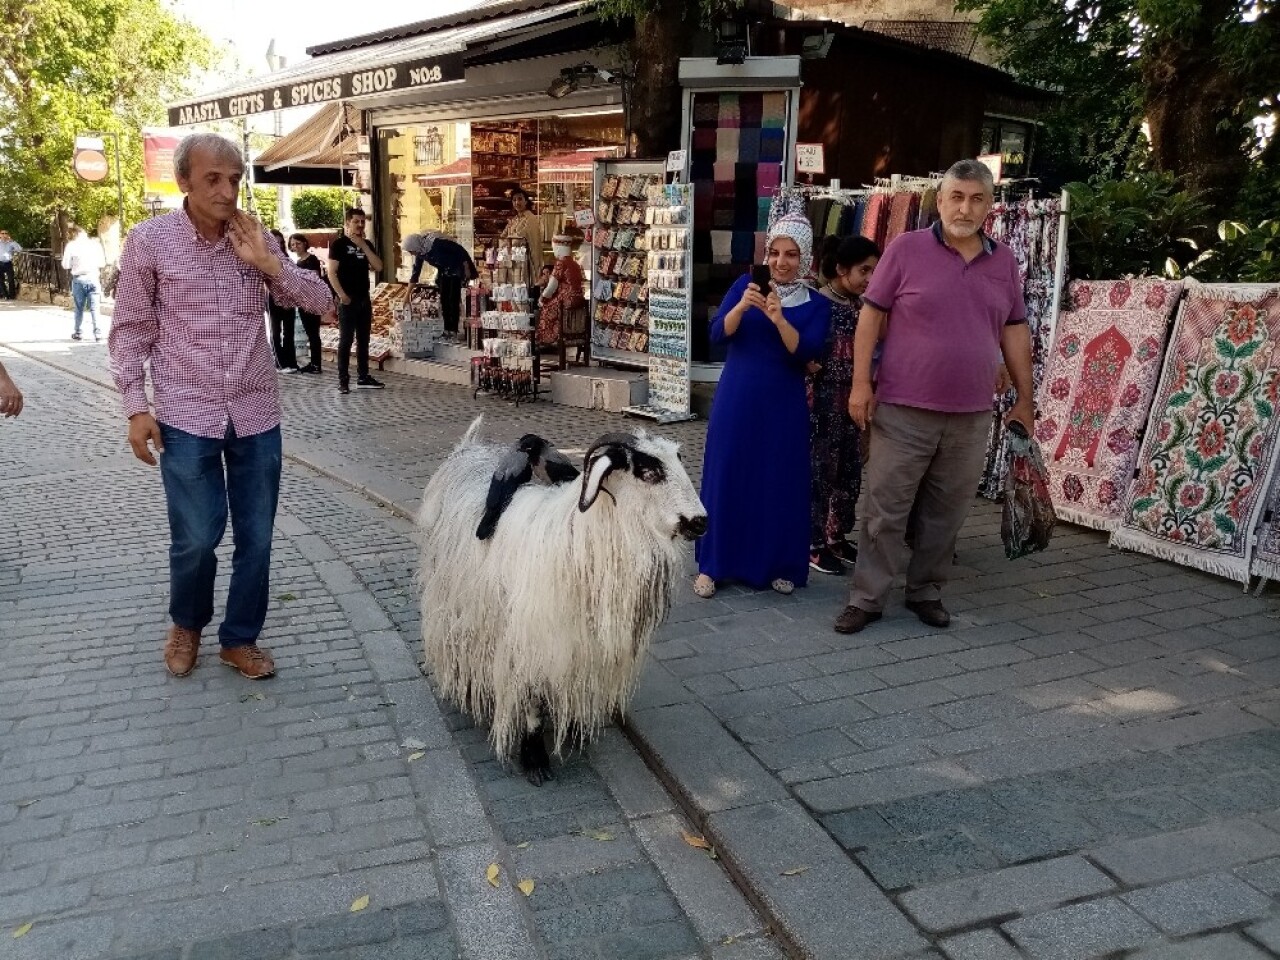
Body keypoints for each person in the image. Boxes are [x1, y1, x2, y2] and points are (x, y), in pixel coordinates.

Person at [108, 132, 336, 680]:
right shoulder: (150, 242)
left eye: (234, 178)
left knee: (256, 537)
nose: (227, 190)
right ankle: (186, 623)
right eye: (213, 178)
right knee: (197, 538)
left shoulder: (255, 237)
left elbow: (325, 305)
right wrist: (136, 407)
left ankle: (240, 639)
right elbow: (130, 330)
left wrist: (269, 264)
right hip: (185, 415)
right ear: (183, 181)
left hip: (256, 413)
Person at [835, 159, 1034, 635]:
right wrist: (862, 384)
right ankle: (867, 597)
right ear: (940, 201)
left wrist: (1026, 397)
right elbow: (870, 319)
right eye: (956, 197)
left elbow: (1015, 329)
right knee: (886, 508)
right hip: (903, 409)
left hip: (970, 415)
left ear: (989, 205)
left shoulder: (1003, 261)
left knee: (947, 512)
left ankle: (925, 590)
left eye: (976, 198)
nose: (965, 207)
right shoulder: (905, 249)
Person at [693, 214, 832, 598]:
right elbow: (717, 333)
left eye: (791, 254)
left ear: (804, 259)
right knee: (726, 476)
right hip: (736, 399)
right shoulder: (745, 284)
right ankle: (712, 565)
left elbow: (807, 352)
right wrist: (740, 308)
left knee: (778, 480)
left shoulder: (816, 304)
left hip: (783, 405)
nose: (781, 261)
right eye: (775, 252)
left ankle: (781, 563)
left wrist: (779, 318)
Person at [808, 235, 880, 576]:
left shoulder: (863, 306)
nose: (870, 278)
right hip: (823, 404)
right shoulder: (818, 304)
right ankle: (813, 543)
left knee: (849, 472)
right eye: (864, 270)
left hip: (854, 403)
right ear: (840, 269)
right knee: (821, 472)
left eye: (874, 271)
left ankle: (837, 535)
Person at [327, 208, 384, 394]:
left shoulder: (366, 244)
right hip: (348, 299)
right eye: (356, 221)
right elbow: (331, 272)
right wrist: (341, 295)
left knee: (364, 339)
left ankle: (363, 376)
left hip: (363, 297)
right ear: (347, 223)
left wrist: (365, 247)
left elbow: (378, 266)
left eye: (362, 222)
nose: (360, 225)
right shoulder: (339, 245)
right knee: (346, 339)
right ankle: (343, 380)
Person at [403, 232, 478, 340]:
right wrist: (407, 296)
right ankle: (447, 330)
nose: (411, 254)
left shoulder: (436, 244)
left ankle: (455, 330)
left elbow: (459, 250)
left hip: (457, 268)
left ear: (414, 246)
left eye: (411, 251)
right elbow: (415, 273)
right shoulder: (421, 252)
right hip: (445, 271)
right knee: (444, 300)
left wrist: (466, 268)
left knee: (453, 299)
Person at [536, 232, 585, 346]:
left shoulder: (560, 263)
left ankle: (549, 337)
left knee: (547, 308)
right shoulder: (575, 264)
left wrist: (542, 298)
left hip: (566, 297)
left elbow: (552, 286)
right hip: (578, 297)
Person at [288, 233, 326, 373]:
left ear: (304, 243)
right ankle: (313, 362)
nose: (296, 246)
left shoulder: (311, 259)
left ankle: (316, 364)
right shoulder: (298, 262)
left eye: (298, 243)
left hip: (312, 300)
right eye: (293, 244)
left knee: (313, 333)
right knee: (310, 332)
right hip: (303, 300)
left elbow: (315, 278)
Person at [61, 225, 106, 341]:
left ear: (74, 234)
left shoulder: (71, 246)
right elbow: (102, 263)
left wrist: (74, 263)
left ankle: (78, 332)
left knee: (79, 307)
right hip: (93, 278)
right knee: (95, 308)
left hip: (79, 279)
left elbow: (65, 265)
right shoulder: (95, 244)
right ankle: (98, 333)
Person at [267, 229, 299, 371]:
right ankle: (279, 363)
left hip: (289, 298)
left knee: (289, 332)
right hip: (273, 299)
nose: (279, 245)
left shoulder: (287, 259)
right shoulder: (265, 258)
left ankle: (291, 362)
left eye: (281, 242)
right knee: (275, 332)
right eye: (275, 242)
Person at [502, 185, 543, 267]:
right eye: (514, 200)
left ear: (526, 201)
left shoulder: (530, 218)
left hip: (527, 262)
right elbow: (503, 237)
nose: (517, 202)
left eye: (520, 199)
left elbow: (518, 241)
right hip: (516, 261)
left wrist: (509, 243)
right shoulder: (515, 219)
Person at [0, 229, 22, 300]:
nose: (4, 235)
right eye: (2, 233)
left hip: (8, 263)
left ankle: (12, 296)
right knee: (0, 280)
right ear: (0, 235)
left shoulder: (11, 243)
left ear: (8, 235)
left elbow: (20, 249)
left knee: (11, 279)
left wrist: (13, 241)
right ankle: (5, 295)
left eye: (5, 233)